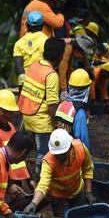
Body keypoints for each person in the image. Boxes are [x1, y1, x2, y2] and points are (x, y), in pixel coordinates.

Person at [18, 37, 65, 173]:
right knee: (43, 154)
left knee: (23, 150)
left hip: (26, 116)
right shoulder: (51, 75)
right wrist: (57, 124)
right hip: (40, 122)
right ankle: (40, 181)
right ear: (60, 55)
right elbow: (51, 105)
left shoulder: (34, 65)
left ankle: (21, 175)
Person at [23, 129, 94, 217]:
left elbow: (88, 169)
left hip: (77, 192)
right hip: (59, 198)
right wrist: (34, 203)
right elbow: (43, 185)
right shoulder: (48, 162)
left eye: (63, 154)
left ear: (71, 147)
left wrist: (88, 192)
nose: (60, 157)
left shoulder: (81, 148)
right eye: (57, 155)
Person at [0, 89, 30, 182]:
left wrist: (29, 179)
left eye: (10, 111)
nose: (8, 115)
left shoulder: (11, 126)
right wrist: (10, 185)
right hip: (2, 181)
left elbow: (19, 154)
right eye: (4, 111)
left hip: (16, 179)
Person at [55, 68, 91, 148]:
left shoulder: (62, 105)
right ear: (87, 89)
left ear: (69, 86)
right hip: (73, 153)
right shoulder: (79, 112)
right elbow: (82, 141)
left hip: (60, 149)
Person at [14, 11, 48, 86]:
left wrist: (23, 80)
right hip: (42, 80)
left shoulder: (19, 43)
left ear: (27, 25)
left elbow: (18, 64)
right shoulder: (47, 41)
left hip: (25, 82)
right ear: (42, 25)